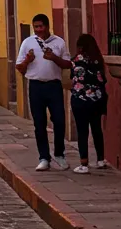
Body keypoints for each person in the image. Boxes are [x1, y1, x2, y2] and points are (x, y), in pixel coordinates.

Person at [16, 13, 71, 171]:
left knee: (59, 121)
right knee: (39, 123)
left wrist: (54, 58)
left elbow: (67, 64)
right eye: (36, 27)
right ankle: (44, 157)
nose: (38, 30)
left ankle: (59, 154)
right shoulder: (28, 42)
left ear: (47, 26)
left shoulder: (59, 42)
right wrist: (28, 60)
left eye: (41, 26)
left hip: (54, 86)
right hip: (35, 86)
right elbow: (19, 67)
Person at [69, 33, 108, 173]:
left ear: (80, 47)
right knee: (97, 128)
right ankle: (100, 160)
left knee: (82, 131)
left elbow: (72, 78)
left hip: (80, 100)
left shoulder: (75, 60)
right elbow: (103, 80)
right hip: (96, 100)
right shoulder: (98, 60)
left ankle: (84, 164)